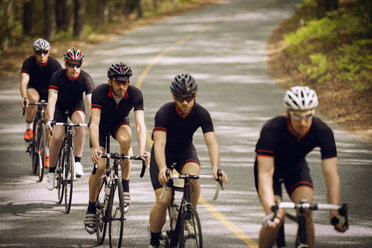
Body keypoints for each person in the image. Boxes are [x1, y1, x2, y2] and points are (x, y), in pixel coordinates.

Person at [254, 86, 348, 248]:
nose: (303, 122)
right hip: (271, 172)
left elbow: (331, 175)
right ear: (288, 112)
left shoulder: (322, 131)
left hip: (296, 169)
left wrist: (334, 212)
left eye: (308, 116)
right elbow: (265, 174)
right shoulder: (272, 129)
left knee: (306, 210)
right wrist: (271, 211)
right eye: (297, 116)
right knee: (277, 218)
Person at [148, 73, 228, 248]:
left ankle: (189, 216)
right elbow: (159, 145)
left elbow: (212, 143)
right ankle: (154, 238)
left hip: (185, 152)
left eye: (189, 98)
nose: (185, 102)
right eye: (180, 98)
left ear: (195, 96)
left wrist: (216, 169)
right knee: (163, 200)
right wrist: (162, 168)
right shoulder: (164, 112)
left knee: (193, 177)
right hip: (163, 155)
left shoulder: (202, 113)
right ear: (173, 97)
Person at [84, 62, 150, 234]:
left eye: (125, 82)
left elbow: (140, 126)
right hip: (100, 126)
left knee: (126, 139)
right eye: (118, 82)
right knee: (100, 167)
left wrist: (143, 150)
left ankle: (125, 186)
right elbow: (94, 123)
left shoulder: (135, 94)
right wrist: (96, 147)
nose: (122, 86)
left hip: (119, 124)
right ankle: (91, 207)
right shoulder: (99, 92)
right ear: (110, 81)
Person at [46, 48, 95, 190]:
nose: (75, 68)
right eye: (71, 65)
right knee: (57, 137)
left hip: (75, 105)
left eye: (78, 65)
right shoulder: (57, 76)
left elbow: (91, 101)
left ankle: (77, 161)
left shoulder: (85, 78)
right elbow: (52, 97)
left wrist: (94, 119)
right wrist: (50, 119)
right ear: (66, 64)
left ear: (81, 65)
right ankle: (51, 172)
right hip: (59, 107)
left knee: (79, 123)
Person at [20, 38, 62, 166]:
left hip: (49, 90)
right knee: (33, 100)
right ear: (35, 53)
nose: (42, 55)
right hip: (33, 88)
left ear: (48, 52)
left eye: (45, 52)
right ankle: (29, 128)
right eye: (39, 53)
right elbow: (24, 80)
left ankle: (48, 153)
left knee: (48, 120)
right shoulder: (28, 62)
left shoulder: (54, 64)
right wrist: (23, 97)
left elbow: (61, 83)